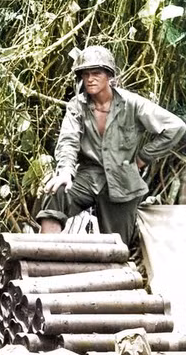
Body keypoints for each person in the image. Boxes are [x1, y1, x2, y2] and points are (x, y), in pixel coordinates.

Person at [36, 45, 185, 247]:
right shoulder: (77, 105)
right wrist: (64, 172)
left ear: (109, 76)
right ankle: (44, 258)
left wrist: (143, 157)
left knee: (116, 245)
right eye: (85, 74)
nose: (90, 79)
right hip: (88, 176)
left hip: (123, 179)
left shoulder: (133, 103)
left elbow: (175, 127)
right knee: (56, 194)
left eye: (96, 73)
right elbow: (68, 139)